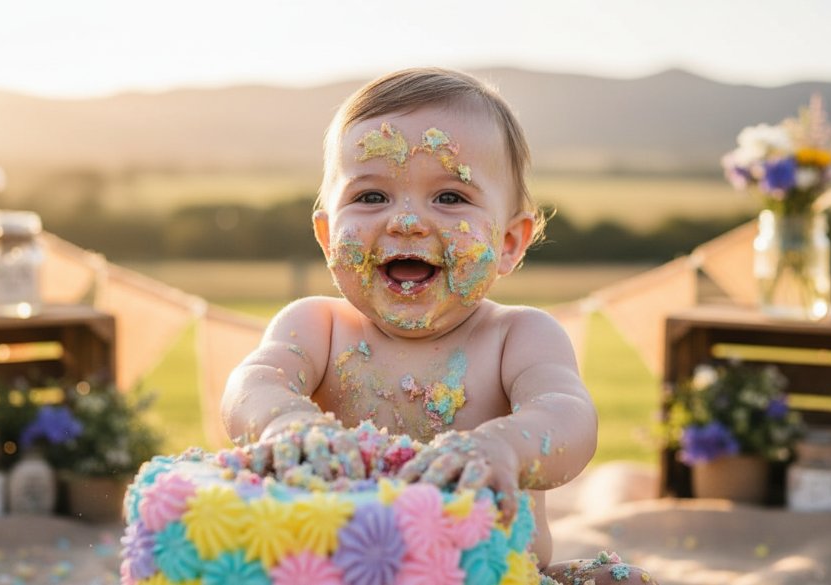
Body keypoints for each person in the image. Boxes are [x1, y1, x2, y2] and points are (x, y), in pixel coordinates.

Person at [222, 67, 657, 585]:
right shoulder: (315, 326)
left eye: (450, 197)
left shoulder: (518, 337)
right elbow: (252, 383)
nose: (406, 221)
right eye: (371, 196)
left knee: (624, 580)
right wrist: (287, 423)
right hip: (337, 567)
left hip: (488, 574)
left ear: (509, 243)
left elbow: (570, 419)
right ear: (326, 234)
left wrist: (504, 446)